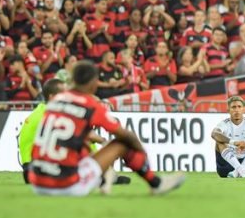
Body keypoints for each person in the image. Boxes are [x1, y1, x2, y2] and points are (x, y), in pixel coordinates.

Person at [28, 60, 185, 197]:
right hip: (65, 185)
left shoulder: (56, 100)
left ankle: (102, 178)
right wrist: (141, 151)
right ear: (92, 82)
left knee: (81, 143)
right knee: (122, 144)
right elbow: (125, 135)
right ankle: (156, 183)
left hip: (36, 182)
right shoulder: (90, 105)